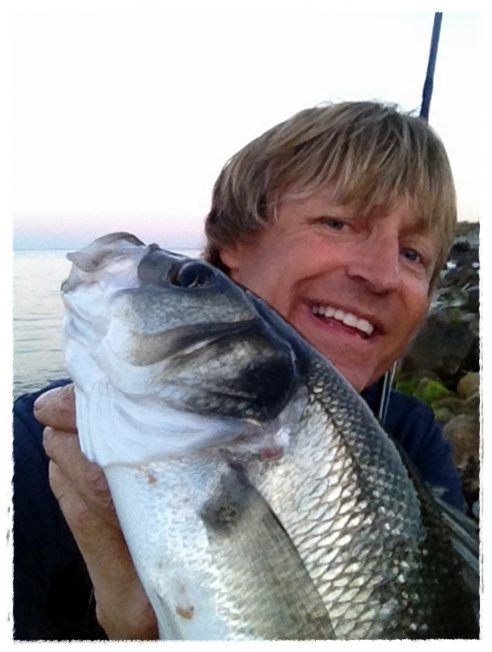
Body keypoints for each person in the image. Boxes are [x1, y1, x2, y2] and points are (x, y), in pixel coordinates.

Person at [13, 101, 466, 640]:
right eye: (338, 222)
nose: (382, 274)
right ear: (232, 242)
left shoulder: (415, 436)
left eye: (414, 255)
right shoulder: (27, 447)